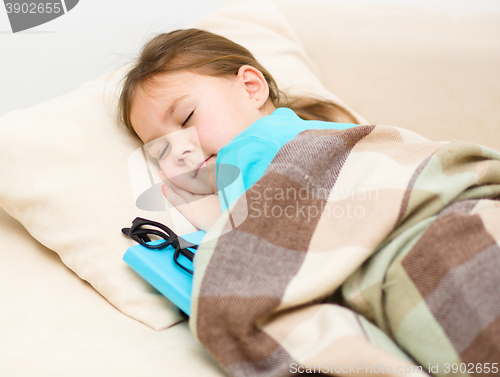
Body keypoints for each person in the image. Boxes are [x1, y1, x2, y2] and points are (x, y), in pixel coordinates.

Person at [118, 28, 360, 231]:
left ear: (250, 88)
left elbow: (262, 243)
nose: (179, 151)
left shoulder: (254, 143)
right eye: (161, 151)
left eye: (186, 118)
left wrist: (213, 218)